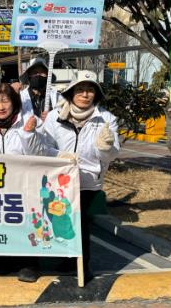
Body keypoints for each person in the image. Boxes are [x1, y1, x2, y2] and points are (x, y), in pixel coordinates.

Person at [41, 71, 120, 280]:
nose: (85, 94)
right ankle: (65, 260)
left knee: (82, 223)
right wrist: (61, 156)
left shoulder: (106, 119)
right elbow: (43, 147)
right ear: (71, 93)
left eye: (90, 90)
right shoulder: (54, 117)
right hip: (60, 181)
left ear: (96, 94)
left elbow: (111, 155)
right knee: (60, 220)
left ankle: (82, 265)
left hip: (88, 182)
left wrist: (105, 147)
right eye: (80, 90)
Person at [0, 83, 46, 282]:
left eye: (5, 101)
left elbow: (41, 155)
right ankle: (3, 258)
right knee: (1, 222)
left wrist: (29, 134)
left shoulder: (31, 121)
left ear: (15, 103)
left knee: (27, 223)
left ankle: (29, 263)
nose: (0, 107)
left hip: (25, 186)